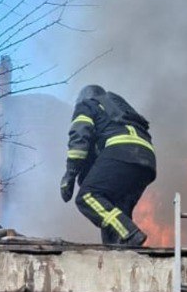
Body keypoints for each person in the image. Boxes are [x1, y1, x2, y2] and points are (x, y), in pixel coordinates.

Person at [60, 84, 155, 247]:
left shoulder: (88, 105)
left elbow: (79, 139)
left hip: (121, 151)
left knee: (87, 197)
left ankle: (130, 234)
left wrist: (70, 174)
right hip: (146, 161)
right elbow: (94, 160)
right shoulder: (121, 111)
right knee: (115, 207)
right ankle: (119, 247)